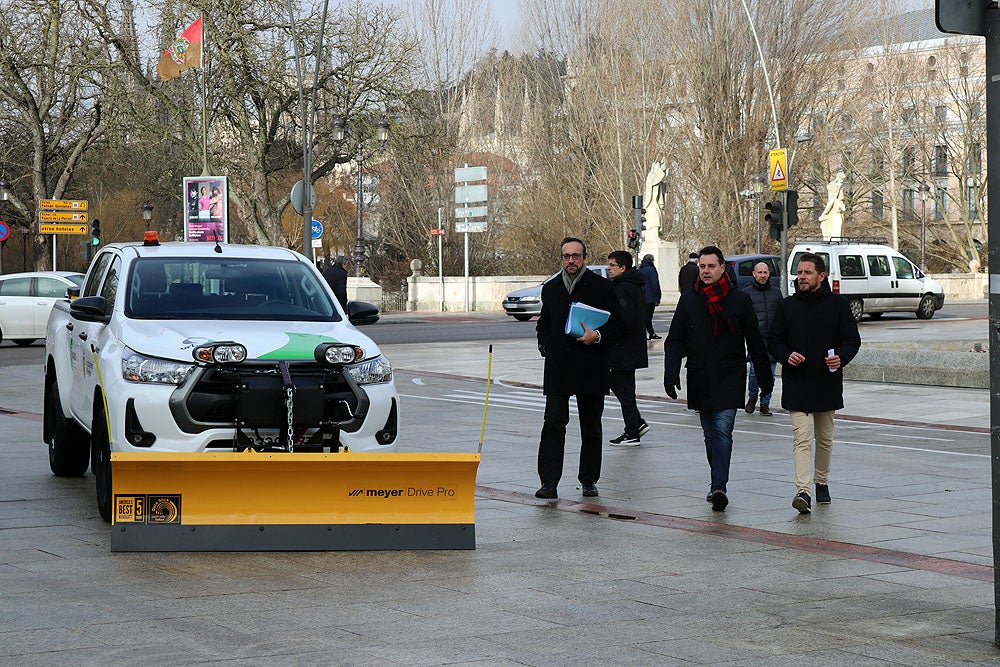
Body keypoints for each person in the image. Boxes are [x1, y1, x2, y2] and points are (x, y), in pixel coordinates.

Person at [663, 246, 772, 511]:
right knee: (710, 436)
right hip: (700, 375)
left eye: (711, 266)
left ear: (723, 268)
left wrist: (765, 378)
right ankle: (717, 480)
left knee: (723, 430)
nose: (706, 271)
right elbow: (675, 339)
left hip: (729, 374)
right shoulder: (689, 299)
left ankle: (718, 487)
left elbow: (755, 342)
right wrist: (671, 371)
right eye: (702, 267)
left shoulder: (739, 300)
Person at [767, 252, 861, 514]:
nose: (801, 277)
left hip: (826, 382)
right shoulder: (787, 306)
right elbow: (774, 340)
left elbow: (851, 339)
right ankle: (803, 491)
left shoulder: (837, 305)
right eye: (799, 272)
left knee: (825, 438)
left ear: (821, 276)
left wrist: (841, 357)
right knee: (802, 438)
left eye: (807, 273)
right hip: (797, 384)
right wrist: (786, 355)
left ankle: (821, 481)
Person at [535, 237, 623, 500]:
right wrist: (545, 343)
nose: (570, 261)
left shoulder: (602, 287)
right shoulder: (550, 288)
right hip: (559, 367)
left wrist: (596, 336)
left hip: (591, 365)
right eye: (566, 256)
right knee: (553, 422)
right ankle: (548, 482)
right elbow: (544, 323)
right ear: (561, 259)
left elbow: (619, 325)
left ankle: (588, 480)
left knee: (591, 426)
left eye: (576, 255)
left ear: (584, 257)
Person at [606, 251, 649, 446]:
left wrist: (607, 332)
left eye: (612, 265)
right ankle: (637, 423)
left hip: (624, 348)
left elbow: (624, 319)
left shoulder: (623, 288)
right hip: (629, 347)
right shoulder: (632, 285)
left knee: (624, 389)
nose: (609, 268)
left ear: (623, 268)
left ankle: (632, 432)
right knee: (617, 384)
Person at [741, 262, 780, 417]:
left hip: (773, 340)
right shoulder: (746, 294)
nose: (763, 275)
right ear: (754, 274)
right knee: (754, 373)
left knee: (770, 374)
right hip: (755, 340)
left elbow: (782, 315)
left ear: (769, 274)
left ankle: (765, 403)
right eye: (760, 272)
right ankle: (752, 396)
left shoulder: (776, 293)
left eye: (765, 272)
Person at [638, 254, 661, 340]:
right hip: (650, 297)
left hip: (642, 296)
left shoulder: (640, 269)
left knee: (645, 316)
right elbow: (655, 284)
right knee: (648, 317)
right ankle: (648, 334)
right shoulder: (651, 270)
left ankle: (651, 333)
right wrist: (658, 296)